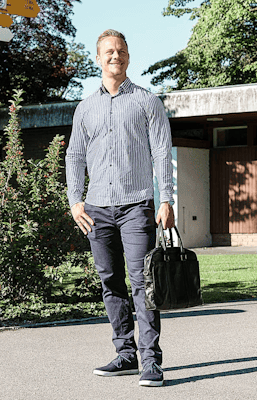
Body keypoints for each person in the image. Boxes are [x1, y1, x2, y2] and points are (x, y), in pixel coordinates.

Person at [65, 29, 175, 388]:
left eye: (122, 50)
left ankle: (151, 361)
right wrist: (75, 200)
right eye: (109, 51)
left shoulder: (146, 101)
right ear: (98, 58)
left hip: (136, 206)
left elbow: (162, 152)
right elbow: (75, 155)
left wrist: (166, 198)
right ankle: (125, 354)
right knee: (110, 282)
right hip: (96, 210)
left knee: (143, 282)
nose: (116, 55)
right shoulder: (85, 107)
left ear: (128, 56)